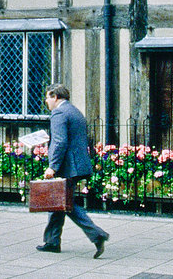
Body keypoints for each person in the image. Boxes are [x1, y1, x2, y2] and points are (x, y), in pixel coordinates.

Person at [36, 83, 110, 258]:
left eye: (47, 97)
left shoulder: (59, 113)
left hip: (67, 166)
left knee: (66, 204)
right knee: (58, 201)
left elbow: (61, 142)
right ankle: (52, 241)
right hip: (77, 164)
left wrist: (52, 167)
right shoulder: (73, 110)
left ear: (55, 97)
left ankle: (97, 234)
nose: (46, 101)